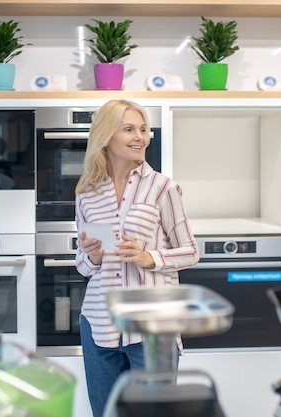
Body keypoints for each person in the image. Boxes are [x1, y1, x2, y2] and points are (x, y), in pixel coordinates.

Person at [74, 99, 199, 417]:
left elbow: (191, 251)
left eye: (143, 130)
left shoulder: (162, 188)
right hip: (99, 323)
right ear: (106, 136)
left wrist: (148, 257)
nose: (139, 137)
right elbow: (84, 266)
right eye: (128, 129)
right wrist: (94, 256)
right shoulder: (87, 193)